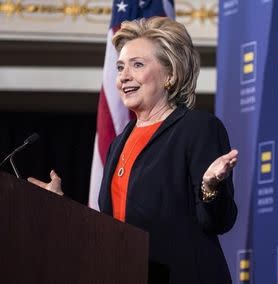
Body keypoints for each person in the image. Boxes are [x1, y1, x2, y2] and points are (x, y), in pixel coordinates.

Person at [28, 16, 238, 284]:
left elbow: (219, 222)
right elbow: (110, 225)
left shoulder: (198, 128)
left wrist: (210, 187)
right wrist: (59, 205)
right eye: (120, 67)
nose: (123, 77)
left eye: (137, 65)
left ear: (170, 74)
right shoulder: (120, 142)